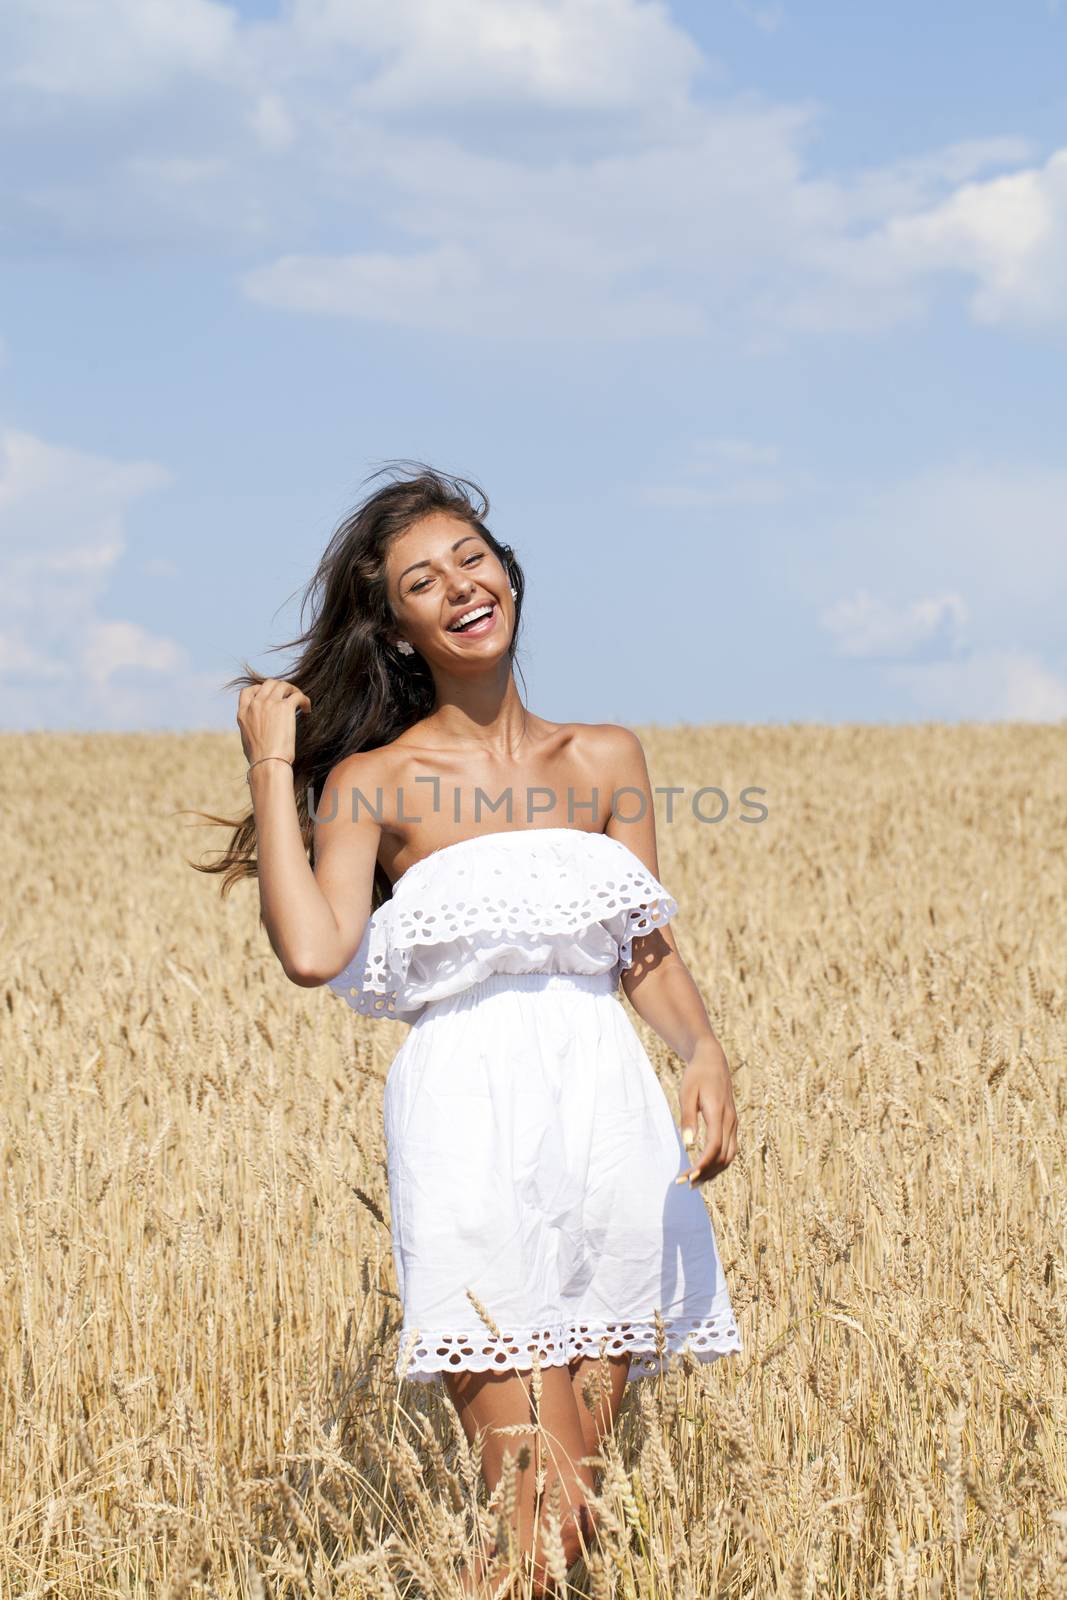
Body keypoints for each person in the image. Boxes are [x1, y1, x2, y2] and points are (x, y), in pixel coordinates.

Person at [196, 462, 742, 1596]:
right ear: (396, 630)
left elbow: (642, 945)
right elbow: (311, 951)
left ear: (508, 574)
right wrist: (268, 762)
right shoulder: (371, 780)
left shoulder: (604, 757)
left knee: (571, 1517)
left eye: (471, 560)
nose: (458, 587)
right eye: (420, 583)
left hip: (606, 1117)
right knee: (533, 1503)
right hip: (466, 1119)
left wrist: (701, 1052)